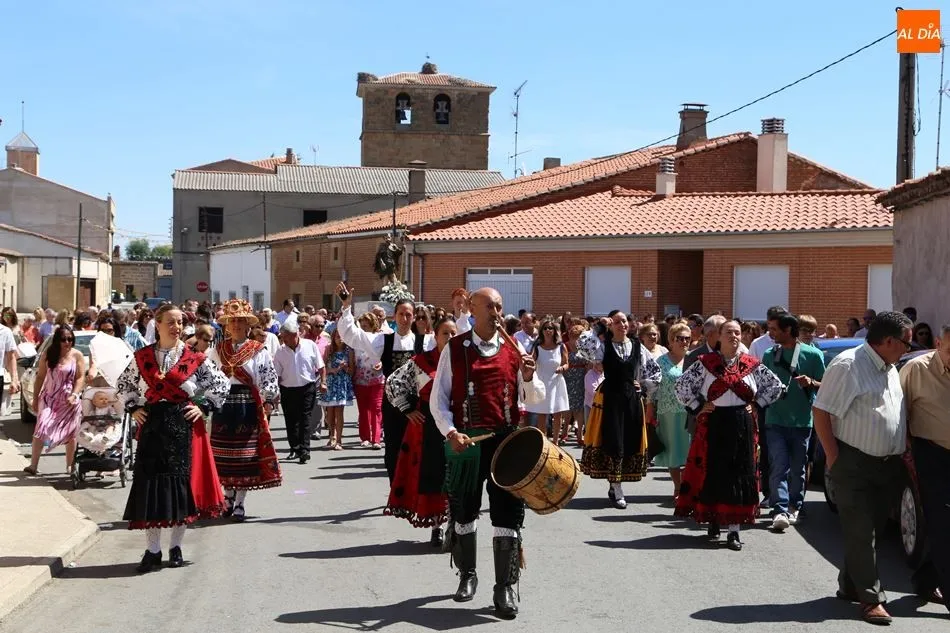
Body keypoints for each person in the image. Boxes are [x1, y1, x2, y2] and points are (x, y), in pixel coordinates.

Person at [430, 287, 544, 619]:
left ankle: (505, 587)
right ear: (472, 309)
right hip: (468, 443)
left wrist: (528, 375)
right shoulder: (455, 348)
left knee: (507, 514)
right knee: (464, 511)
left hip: (507, 443)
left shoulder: (515, 348)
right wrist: (451, 432)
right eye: (489, 306)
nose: (496, 311)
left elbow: (532, 399)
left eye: (499, 306)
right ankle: (467, 575)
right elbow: (439, 399)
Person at [812, 311, 912, 625]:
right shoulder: (848, 365)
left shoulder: (889, 366)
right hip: (853, 463)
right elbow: (821, 412)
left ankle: (849, 584)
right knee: (860, 532)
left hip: (885, 465)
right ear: (889, 341)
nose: (908, 349)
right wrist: (833, 457)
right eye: (906, 344)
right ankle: (871, 600)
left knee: (872, 533)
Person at [115, 304, 230, 572]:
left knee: (179, 488)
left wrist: (202, 406)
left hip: (181, 425)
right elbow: (123, 385)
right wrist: (134, 408)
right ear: (157, 324)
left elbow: (221, 383)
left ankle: (175, 547)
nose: (176, 327)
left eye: (180, 322)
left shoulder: (194, 358)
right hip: (153, 425)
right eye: (170, 321)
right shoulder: (142, 357)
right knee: (151, 487)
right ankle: (152, 550)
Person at [674, 320, 783, 551]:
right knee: (713, 472)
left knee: (739, 475)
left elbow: (776, 386)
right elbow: (681, 387)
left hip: (742, 426)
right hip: (713, 424)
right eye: (729, 332)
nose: (734, 336)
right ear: (718, 336)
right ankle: (713, 518)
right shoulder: (705, 364)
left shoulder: (752, 365)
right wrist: (697, 406)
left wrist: (758, 403)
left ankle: (734, 529)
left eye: (737, 332)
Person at [335, 282, 434, 481]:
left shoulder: (425, 342)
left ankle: (415, 492)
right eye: (401, 314)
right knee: (393, 448)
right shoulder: (383, 340)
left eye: (409, 315)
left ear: (413, 317)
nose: (405, 319)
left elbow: (449, 343)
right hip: (392, 404)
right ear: (394, 316)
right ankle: (396, 489)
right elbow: (353, 336)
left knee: (419, 449)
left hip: (418, 404)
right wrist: (346, 307)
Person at [384, 315, 457, 546]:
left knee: (455, 478)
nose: (450, 337)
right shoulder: (421, 362)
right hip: (428, 428)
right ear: (435, 336)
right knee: (433, 477)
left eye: (454, 333)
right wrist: (407, 410)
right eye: (445, 333)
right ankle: (436, 526)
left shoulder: (463, 361)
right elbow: (393, 383)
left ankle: (454, 527)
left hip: (457, 425)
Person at [208, 299, 282, 522]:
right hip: (222, 405)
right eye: (232, 322)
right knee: (222, 455)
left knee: (244, 457)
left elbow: (269, 376)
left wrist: (269, 400)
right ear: (226, 326)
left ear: (248, 325)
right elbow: (209, 375)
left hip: (247, 406)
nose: (237, 326)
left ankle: (240, 502)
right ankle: (227, 497)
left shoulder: (258, 350)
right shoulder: (218, 349)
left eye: (241, 322)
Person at [579, 310, 661, 509]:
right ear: (611, 325)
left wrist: (643, 385)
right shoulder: (603, 346)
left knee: (628, 439)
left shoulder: (637, 346)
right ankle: (616, 487)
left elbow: (655, 370)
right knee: (613, 440)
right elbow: (582, 346)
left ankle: (617, 483)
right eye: (616, 322)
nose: (621, 325)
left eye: (624, 321)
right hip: (610, 399)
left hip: (631, 399)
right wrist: (598, 327)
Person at [899, 325, 950, 610]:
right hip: (930, 453)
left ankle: (925, 580)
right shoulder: (916, 370)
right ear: (938, 343)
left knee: (940, 526)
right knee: (944, 526)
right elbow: (896, 412)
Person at [762, 312, 825, 531]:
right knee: (779, 465)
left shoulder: (813, 355)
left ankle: (794, 506)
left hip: (801, 421)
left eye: (774, 329)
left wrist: (811, 382)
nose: (770, 333)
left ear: (788, 330)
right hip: (775, 419)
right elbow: (761, 383)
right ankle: (779, 509)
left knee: (798, 468)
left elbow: (825, 386)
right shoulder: (770, 354)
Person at [22, 325, 84, 476]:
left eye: (70, 339)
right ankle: (33, 465)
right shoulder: (49, 354)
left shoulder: (77, 355)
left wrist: (75, 395)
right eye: (63, 339)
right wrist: (36, 399)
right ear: (57, 340)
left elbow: (80, 378)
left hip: (69, 400)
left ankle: (70, 466)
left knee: (70, 433)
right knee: (41, 427)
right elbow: (41, 377)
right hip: (49, 398)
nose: (67, 342)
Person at [649, 321, 692, 499]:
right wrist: (650, 408)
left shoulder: (693, 359)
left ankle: (689, 487)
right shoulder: (661, 361)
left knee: (690, 453)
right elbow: (652, 388)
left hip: (690, 413)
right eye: (680, 338)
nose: (684, 342)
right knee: (673, 452)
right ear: (671, 340)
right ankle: (678, 487)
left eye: (687, 339)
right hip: (668, 413)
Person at [273, 319, 325, 464]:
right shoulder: (280, 351)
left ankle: (304, 450)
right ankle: (294, 448)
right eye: (282, 337)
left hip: (307, 387)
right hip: (288, 390)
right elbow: (276, 374)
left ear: (295, 334)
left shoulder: (310, 346)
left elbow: (321, 367)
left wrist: (324, 382)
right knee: (291, 421)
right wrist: (275, 392)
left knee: (305, 419)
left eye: (286, 336)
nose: (283, 339)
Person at [525, 317, 570, 444]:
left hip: (557, 382)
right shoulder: (537, 347)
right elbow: (531, 361)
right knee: (542, 413)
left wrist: (562, 367)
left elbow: (567, 363)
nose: (548, 330)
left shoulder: (561, 347)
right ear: (542, 331)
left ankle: (555, 441)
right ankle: (543, 442)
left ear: (555, 331)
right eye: (545, 328)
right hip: (541, 383)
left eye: (550, 328)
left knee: (557, 413)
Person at [319, 327, 355, 449]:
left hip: (342, 383)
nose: (340, 339)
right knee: (330, 412)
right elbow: (323, 367)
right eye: (337, 337)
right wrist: (332, 370)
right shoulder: (329, 349)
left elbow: (352, 371)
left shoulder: (349, 350)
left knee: (339, 412)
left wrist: (345, 368)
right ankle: (331, 437)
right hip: (331, 382)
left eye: (342, 337)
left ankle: (339, 440)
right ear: (333, 338)